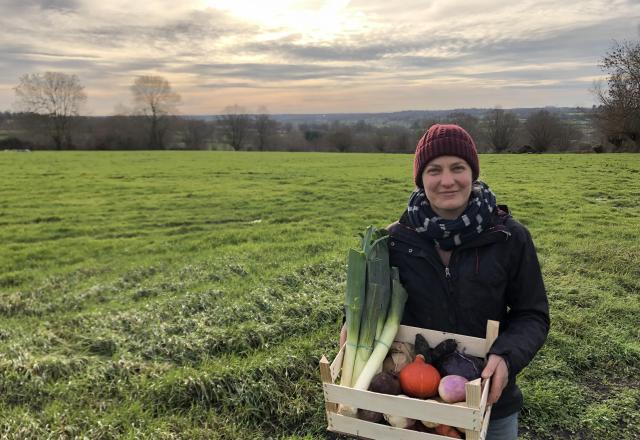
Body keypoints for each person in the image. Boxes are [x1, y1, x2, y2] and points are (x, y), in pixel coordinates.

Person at [339, 124, 549, 440]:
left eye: (458, 168)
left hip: (489, 396)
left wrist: (506, 357)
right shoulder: (394, 241)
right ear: (421, 179)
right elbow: (371, 304)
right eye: (434, 170)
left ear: (473, 173)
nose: (447, 180)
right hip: (412, 402)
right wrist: (351, 325)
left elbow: (532, 314)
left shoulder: (509, 237)